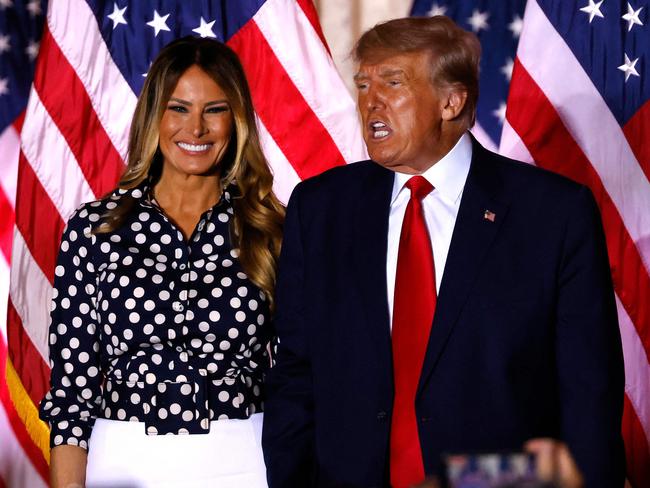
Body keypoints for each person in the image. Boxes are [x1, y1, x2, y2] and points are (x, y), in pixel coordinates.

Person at [262, 16, 624, 488]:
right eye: (364, 84)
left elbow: (588, 391)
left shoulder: (553, 214)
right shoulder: (321, 207)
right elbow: (296, 371)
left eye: (393, 83)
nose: (371, 101)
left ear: (451, 101)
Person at [39, 36, 284, 488]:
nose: (196, 129)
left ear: (237, 120)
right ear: (155, 116)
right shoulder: (97, 230)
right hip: (123, 459)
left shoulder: (271, 228)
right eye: (179, 108)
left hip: (245, 458)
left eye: (214, 109)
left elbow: (299, 374)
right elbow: (73, 388)